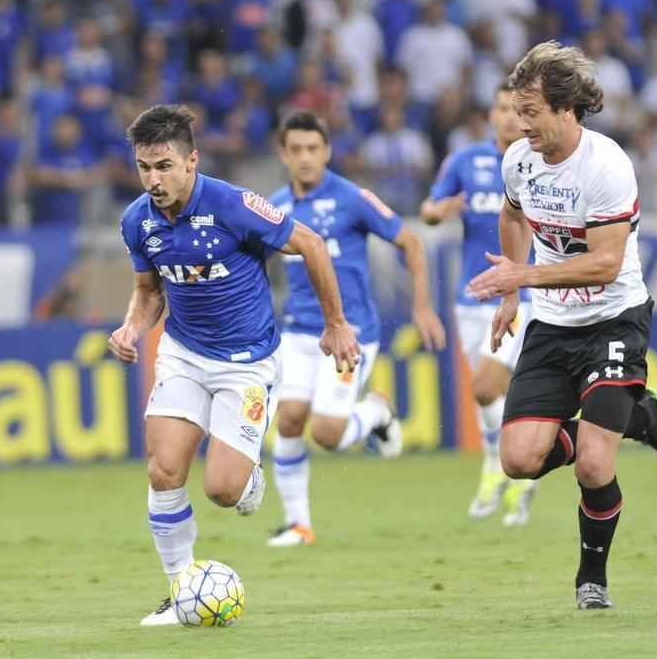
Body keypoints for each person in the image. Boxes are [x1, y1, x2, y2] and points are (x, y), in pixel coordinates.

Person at [108, 105, 360, 626]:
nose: (153, 179)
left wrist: (335, 324)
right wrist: (134, 326)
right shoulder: (137, 221)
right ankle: (180, 592)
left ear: (191, 161)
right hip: (182, 353)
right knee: (163, 470)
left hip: (246, 362)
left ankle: (246, 476)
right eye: (143, 167)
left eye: (163, 166)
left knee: (222, 490)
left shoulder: (234, 205)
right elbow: (148, 292)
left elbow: (310, 244)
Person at [466, 42, 657, 610]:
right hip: (554, 325)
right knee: (518, 461)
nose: (519, 122)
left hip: (614, 319)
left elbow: (606, 263)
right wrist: (512, 291)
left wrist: (525, 275)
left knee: (592, 462)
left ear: (567, 109)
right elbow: (511, 213)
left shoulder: (607, 166)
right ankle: (637, 415)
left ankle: (592, 579)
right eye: (516, 108)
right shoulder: (519, 159)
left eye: (531, 110)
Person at [265, 110, 446, 547]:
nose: (305, 158)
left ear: (326, 151)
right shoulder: (274, 207)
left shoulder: (352, 198)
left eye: (313, 149)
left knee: (326, 434)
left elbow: (411, 242)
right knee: (288, 420)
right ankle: (298, 525)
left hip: (350, 332)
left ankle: (376, 412)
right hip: (297, 332)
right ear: (283, 153)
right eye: (296, 150)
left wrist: (422, 306)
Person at [422, 83, 538, 526]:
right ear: (490, 114)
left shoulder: (537, 161)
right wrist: (440, 211)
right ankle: (519, 472)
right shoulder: (466, 161)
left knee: (485, 387)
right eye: (501, 108)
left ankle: (500, 467)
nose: (509, 117)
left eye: (517, 109)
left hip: (518, 296)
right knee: (494, 391)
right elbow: (429, 208)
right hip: (469, 296)